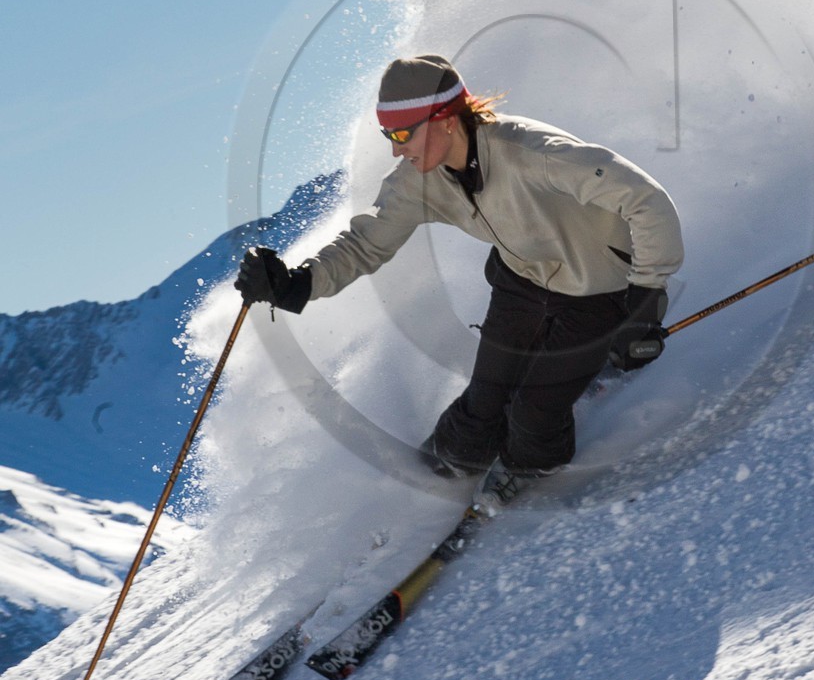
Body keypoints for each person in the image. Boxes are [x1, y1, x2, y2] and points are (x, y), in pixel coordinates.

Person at [235, 53, 684, 480]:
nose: (395, 151)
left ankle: (528, 471)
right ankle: (442, 471)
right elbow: (366, 242)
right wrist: (297, 283)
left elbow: (647, 200)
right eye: (387, 136)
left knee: (533, 413)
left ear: (445, 121)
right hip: (522, 280)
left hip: (598, 287)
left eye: (401, 134)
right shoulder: (419, 180)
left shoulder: (532, 153)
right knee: (484, 400)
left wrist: (645, 296)